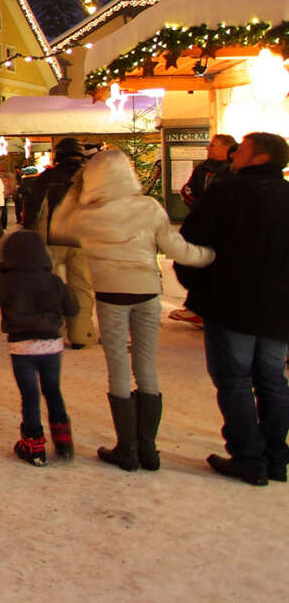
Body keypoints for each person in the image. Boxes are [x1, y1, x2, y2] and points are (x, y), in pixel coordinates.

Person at [52, 149, 215, 472]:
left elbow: (59, 228)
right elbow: (176, 248)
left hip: (111, 295)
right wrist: (209, 256)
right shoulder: (149, 208)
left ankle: (126, 447)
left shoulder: (88, 214)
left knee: (118, 369)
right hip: (147, 292)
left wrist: (75, 191)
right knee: (147, 366)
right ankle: (148, 449)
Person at [178, 131, 289, 487]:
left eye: (242, 149)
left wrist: (197, 286)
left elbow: (192, 243)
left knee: (235, 380)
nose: (234, 153)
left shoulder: (226, 192)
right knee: (273, 381)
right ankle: (276, 457)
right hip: (280, 308)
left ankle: (248, 458)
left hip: (232, 302)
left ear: (259, 158)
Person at [0, 229, 79, 466]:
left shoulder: (6, 281)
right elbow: (73, 308)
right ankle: (63, 440)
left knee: (30, 395)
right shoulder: (53, 280)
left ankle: (33, 444)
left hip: (22, 347)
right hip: (51, 345)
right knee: (53, 391)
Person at [22, 137, 95, 349]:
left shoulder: (48, 177)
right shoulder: (89, 177)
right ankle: (81, 334)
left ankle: (48, 330)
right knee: (81, 285)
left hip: (51, 238)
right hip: (81, 239)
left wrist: (28, 232)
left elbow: (33, 206)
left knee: (47, 285)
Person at [171, 134, 237, 326]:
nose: (208, 149)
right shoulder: (203, 169)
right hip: (206, 228)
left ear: (228, 148)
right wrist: (203, 208)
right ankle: (198, 308)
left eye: (213, 146)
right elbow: (187, 191)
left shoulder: (236, 172)